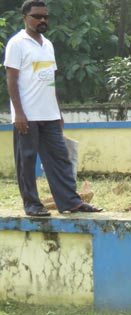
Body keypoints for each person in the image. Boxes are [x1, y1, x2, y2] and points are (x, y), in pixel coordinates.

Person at [4, 0, 102, 217]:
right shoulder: (17, 43)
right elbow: (11, 79)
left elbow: (50, 81)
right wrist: (18, 113)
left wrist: (58, 112)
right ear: (25, 18)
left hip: (49, 115)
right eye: (37, 16)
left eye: (45, 16)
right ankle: (32, 204)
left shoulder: (48, 44)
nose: (42, 20)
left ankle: (70, 201)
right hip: (27, 115)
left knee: (60, 158)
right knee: (26, 160)